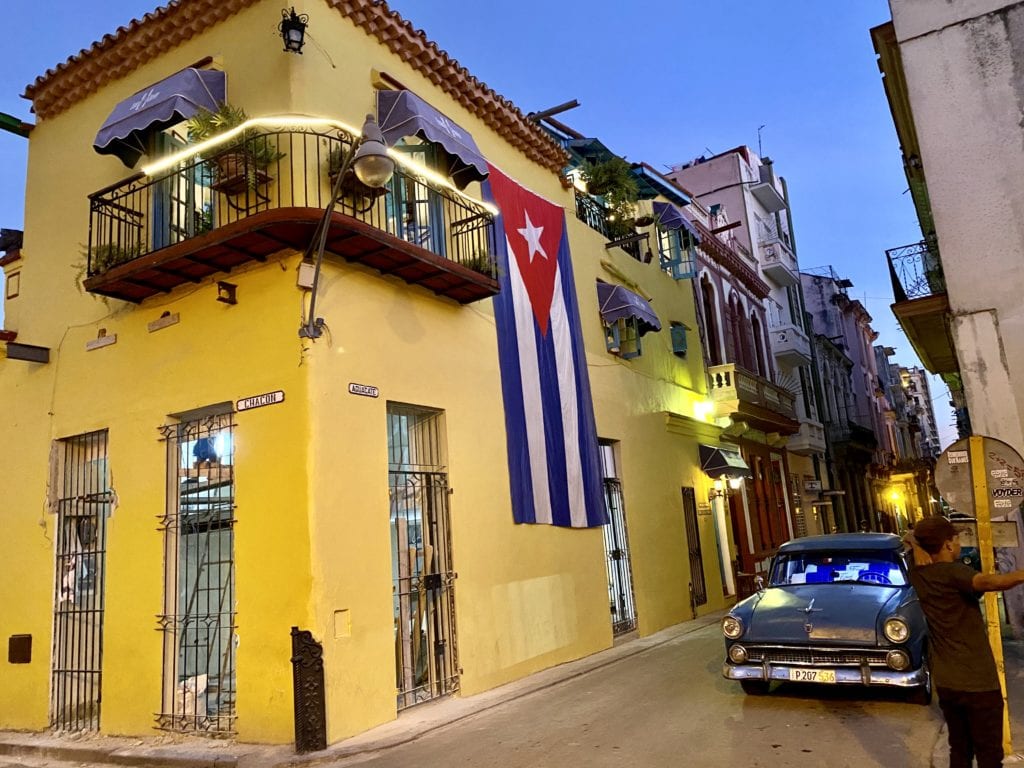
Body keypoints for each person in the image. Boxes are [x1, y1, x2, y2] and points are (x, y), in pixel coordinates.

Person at [906, 515, 1024, 768]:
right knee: (989, 754)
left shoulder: (918, 573)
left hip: (948, 683)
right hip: (978, 683)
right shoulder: (955, 573)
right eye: (956, 539)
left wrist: (916, 545)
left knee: (959, 749)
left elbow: (906, 537)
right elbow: (991, 581)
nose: (959, 543)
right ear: (948, 545)